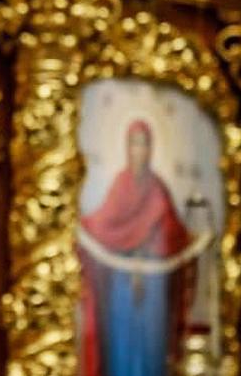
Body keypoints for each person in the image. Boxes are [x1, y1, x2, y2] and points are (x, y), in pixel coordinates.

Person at [77, 120, 194, 376]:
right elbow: (105, 224)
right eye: (134, 143)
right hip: (122, 283)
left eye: (144, 143)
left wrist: (192, 240)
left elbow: (174, 235)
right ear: (127, 148)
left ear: (150, 148)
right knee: (121, 344)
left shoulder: (158, 189)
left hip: (154, 284)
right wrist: (83, 228)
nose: (139, 150)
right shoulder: (121, 185)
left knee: (152, 344)